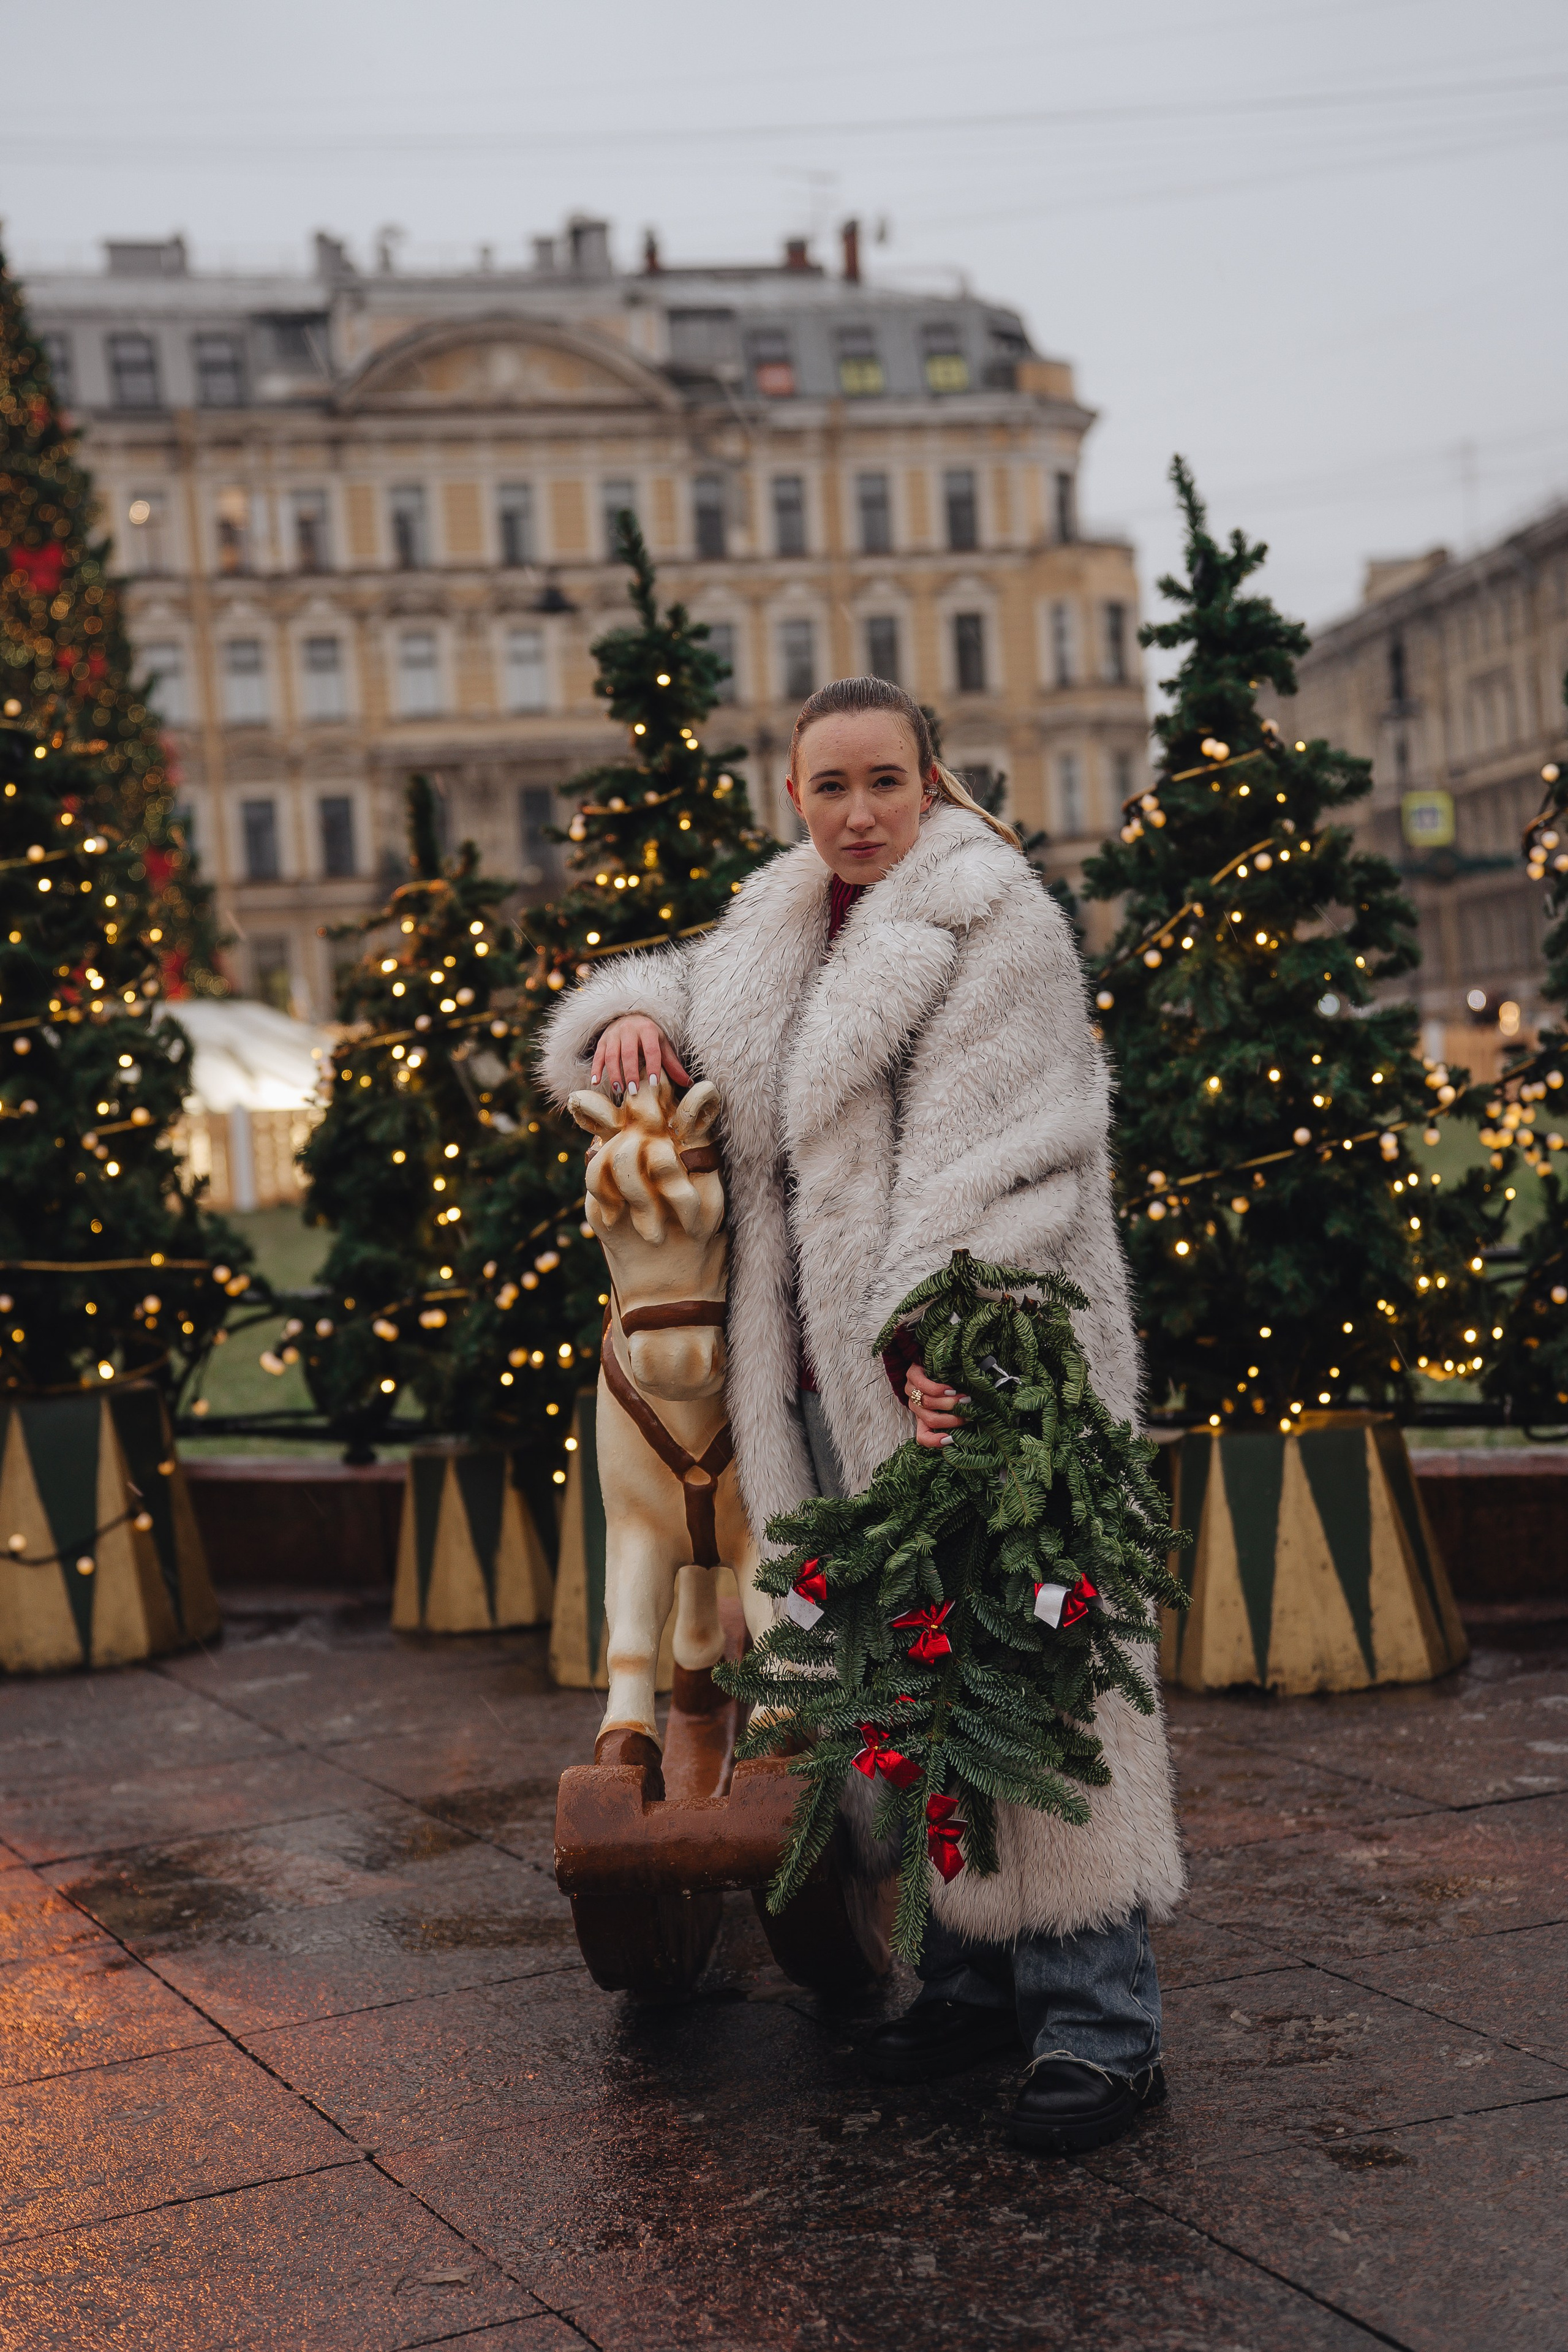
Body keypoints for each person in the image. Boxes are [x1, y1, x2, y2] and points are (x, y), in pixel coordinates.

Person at [541, 676, 1182, 2157]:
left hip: (983, 1372)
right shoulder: (776, 919)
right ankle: (964, 1980)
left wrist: (940, 1335)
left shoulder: (990, 916)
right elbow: (665, 1024)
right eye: (827, 788)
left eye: (882, 782)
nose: (856, 814)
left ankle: (1102, 2027)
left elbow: (1013, 1156)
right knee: (901, 1691)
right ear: (793, 796)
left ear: (931, 780)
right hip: (826, 1389)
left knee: (1029, 1685)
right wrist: (632, 1017)